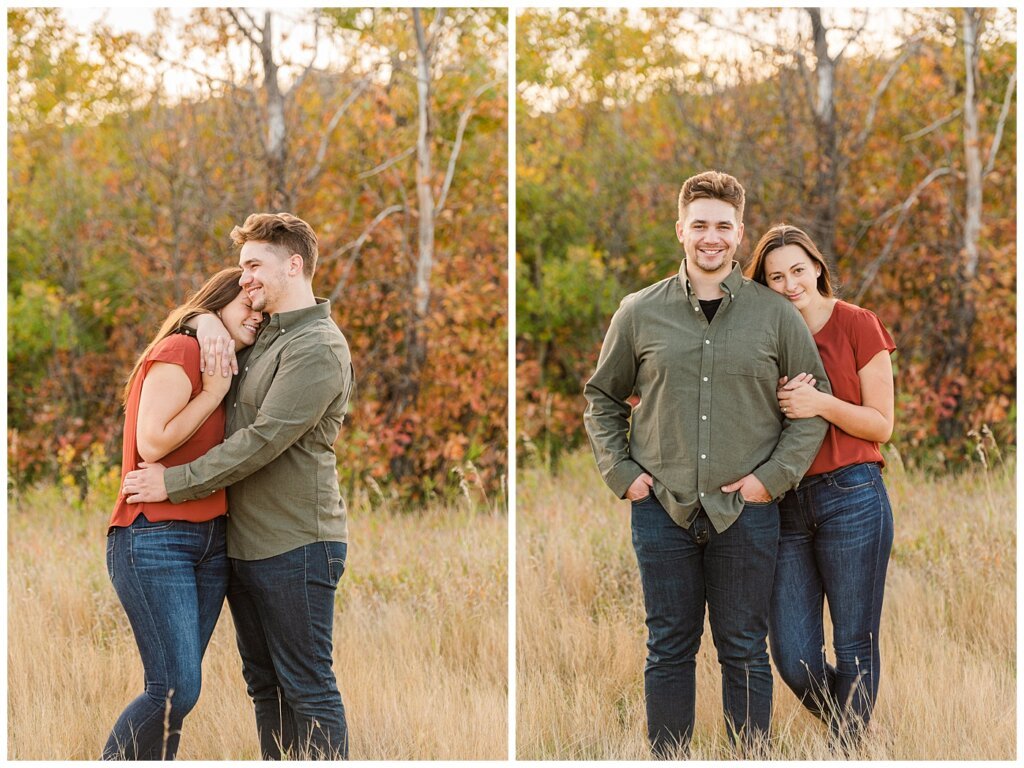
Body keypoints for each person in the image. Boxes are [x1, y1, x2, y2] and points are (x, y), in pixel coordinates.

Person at [583, 170, 831, 757]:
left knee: (744, 646)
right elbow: (601, 398)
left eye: (723, 226)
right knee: (668, 645)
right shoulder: (639, 311)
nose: (711, 238)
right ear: (681, 230)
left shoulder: (776, 316)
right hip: (661, 507)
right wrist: (624, 475)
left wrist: (768, 483)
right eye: (700, 226)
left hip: (746, 512)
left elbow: (812, 407)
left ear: (740, 233)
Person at [121, 213, 355, 760]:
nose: (244, 277)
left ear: (294, 265)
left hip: (297, 543)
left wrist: (171, 484)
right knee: (266, 690)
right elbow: (214, 312)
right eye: (242, 267)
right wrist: (201, 320)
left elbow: (260, 442)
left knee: (309, 689)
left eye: (254, 265)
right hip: (246, 547)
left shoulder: (316, 347)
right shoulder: (265, 336)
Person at [104, 268, 263, 760]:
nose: (255, 318)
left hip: (211, 541)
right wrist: (212, 392)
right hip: (154, 537)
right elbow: (152, 441)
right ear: (216, 305)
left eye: (262, 311)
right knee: (174, 690)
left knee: (178, 698)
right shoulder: (182, 351)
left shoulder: (227, 357)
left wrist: (208, 325)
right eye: (245, 308)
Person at [747, 224, 895, 748]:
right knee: (794, 656)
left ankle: (849, 749)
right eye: (775, 276)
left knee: (855, 642)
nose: (789, 284)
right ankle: (860, 731)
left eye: (797, 270)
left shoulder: (857, 323)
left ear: (817, 267)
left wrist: (821, 404)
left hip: (852, 495)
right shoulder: (762, 339)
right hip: (784, 507)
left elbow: (882, 424)